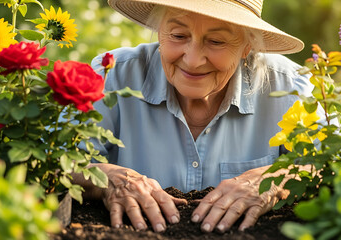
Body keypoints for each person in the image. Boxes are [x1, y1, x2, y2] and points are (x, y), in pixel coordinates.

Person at [73, 0, 317, 234]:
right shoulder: (113, 76)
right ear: (160, 32)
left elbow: (338, 164)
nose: (192, 60)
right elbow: (54, 164)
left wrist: (274, 179)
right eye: (179, 36)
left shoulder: (289, 87)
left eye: (216, 41)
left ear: (247, 46)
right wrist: (110, 179)